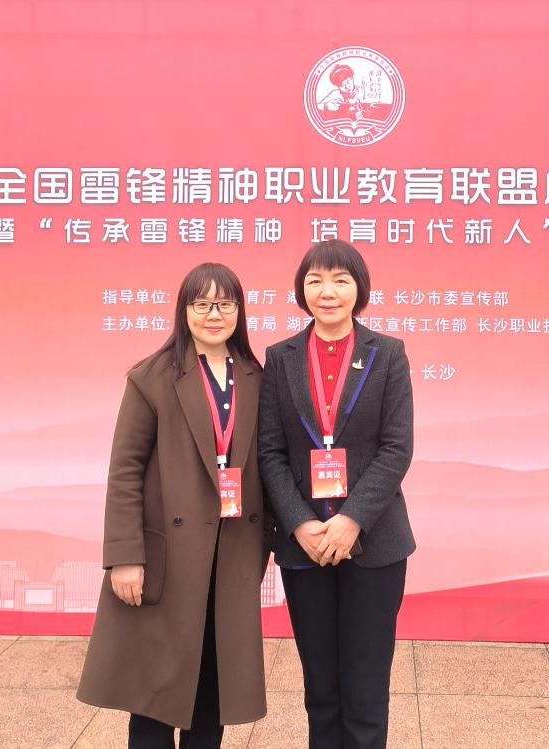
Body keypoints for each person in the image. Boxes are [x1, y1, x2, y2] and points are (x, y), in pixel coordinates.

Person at [77, 263, 268, 748]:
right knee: (154, 697)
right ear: (184, 311)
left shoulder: (255, 378)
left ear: (239, 311)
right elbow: (124, 471)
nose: (213, 314)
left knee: (212, 694)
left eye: (224, 304)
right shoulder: (152, 377)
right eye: (201, 303)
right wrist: (125, 556)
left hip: (229, 556)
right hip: (167, 558)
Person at [258, 239, 415, 748]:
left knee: (366, 690)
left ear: (359, 288)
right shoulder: (279, 358)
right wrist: (300, 523)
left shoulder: (387, 354)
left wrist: (351, 520)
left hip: (375, 544)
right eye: (316, 280)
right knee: (321, 690)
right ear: (302, 290)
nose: (328, 292)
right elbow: (269, 452)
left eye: (340, 280)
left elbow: (396, 448)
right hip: (304, 548)